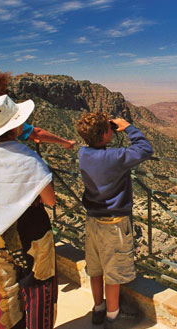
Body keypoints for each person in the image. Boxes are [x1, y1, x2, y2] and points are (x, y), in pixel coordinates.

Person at [0, 71, 76, 306]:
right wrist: (66, 143)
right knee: (12, 242)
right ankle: (23, 289)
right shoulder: (5, 125)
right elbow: (37, 133)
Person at [0, 95, 57, 329]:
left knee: (5, 290)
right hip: (31, 230)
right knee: (38, 287)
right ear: (15, 126)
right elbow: (51, 200)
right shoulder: (27, 158)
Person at [75, 112, 153, 328]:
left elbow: (99, 150)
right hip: (114, 223)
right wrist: (128, 127)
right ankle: (113, 316)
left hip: (92, 220)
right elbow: (145, 149)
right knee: (113, 272)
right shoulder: (115, 157)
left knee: (96, 268)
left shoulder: (83, 153)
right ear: (106, 133)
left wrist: (104, 133)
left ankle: (98, 309)